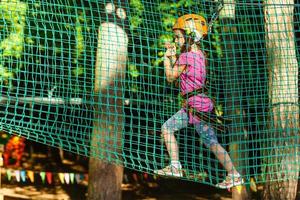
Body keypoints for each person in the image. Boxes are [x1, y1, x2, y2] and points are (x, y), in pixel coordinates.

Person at [153, 14, 243, 189]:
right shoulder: (201, 54)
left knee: (168, 129)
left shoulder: (186, 56)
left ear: (190, 36)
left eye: (179, 36)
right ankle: (233, 174)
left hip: (195, 107)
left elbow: (171, 76)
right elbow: (184, 72)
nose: (176, 40)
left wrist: (166, 58)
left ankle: (176, 166)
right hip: (199, 105)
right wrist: (174, 58)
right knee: (209, 141)